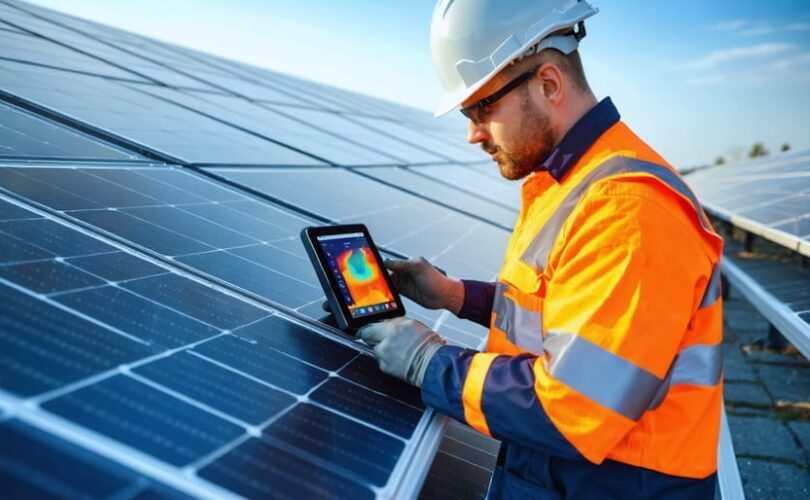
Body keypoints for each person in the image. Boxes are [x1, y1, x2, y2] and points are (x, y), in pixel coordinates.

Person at [358, 1, 724, 497]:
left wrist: (429, 362)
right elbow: (562, 315)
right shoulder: (571, 183)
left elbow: (571, 408)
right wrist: (454, 296)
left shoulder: (628, 210)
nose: (472, 134)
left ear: (548, 84)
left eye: (482, 108)